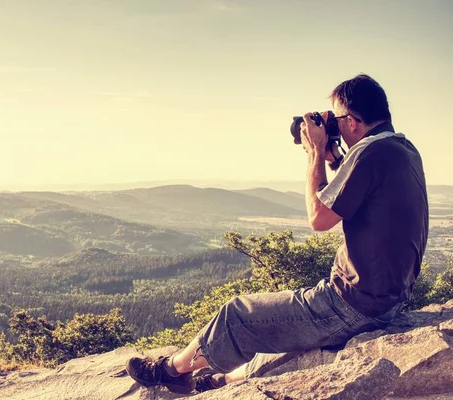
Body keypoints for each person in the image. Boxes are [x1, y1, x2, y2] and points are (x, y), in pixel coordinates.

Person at [124, 74, 429, 394]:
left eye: (336, 119)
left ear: (351, 121)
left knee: (238, 314)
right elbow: (357, 195)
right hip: (386, 301)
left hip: (353, 304)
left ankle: (172, 370)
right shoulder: (400, 149)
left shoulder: (370, 154)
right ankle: (220, 380)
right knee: (279, 330)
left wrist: (314, 153)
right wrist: (333, 157)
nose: (333, 125)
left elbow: (319, 218)